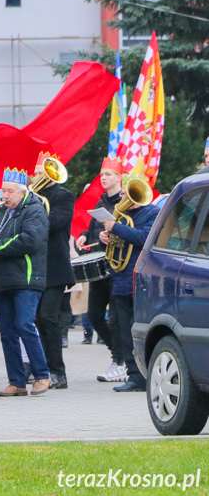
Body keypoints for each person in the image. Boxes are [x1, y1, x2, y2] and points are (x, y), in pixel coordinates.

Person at [0, 168, 51, 397]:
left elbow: (30, 240)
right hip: (5, 279)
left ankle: (42, 375)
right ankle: (17, 381)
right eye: (3, 191)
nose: (4, 196)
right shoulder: (2, 213)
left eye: (9, 191)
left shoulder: (35, 211)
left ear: (22, 192)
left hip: (27, 278)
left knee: (24, 325)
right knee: (6, 330)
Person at [98, 175, 160, 392]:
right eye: (123, 193)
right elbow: (112, 242)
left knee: (139, 329)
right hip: (121, 278)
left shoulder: (151, 212)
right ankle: (134, 376)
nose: (123, 197)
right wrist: (104, 237)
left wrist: (115, 228)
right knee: (124, 331)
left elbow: (144, 237)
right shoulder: (122, 216)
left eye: (127, 193)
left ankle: (146, 375)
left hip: (141, 279)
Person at [76, 157, 125, 382]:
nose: (103, 178)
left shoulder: (125, 201)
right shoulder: (101, 201)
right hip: (99, 266)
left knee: (116, 319)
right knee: (95, 316)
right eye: (102, 174)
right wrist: (84, 236)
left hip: (117, 266)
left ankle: (120, 361)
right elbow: (91, 227)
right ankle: (120, 355)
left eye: (108, 175)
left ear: (119, 177)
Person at [33, 152, 75, 390]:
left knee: (49, 317)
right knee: (37, 319)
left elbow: (53, 223)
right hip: (35, 266)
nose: (38, 176)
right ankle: (43, 369)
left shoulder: (63, 196)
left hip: (56, 267)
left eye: (42, 173)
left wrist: (32, 206)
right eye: (37, 173)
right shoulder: (31, 197)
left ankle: (59, 372)